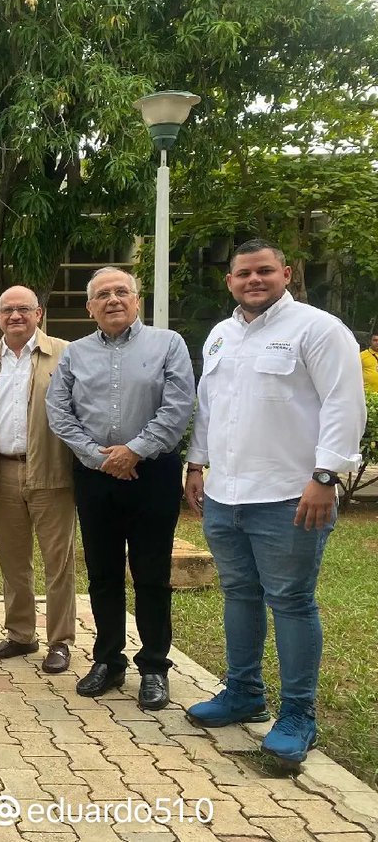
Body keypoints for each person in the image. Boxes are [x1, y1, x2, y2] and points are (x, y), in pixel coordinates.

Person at [184, 240, 365, 765]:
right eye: (244, 273)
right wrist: (195, 465)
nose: (254, 280)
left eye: (265, 271)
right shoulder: (220, 335)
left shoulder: (318, 329)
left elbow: (343, 403)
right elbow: (208, 407)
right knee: (239, 594)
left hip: (291, 495)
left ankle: (298, 716)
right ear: (230, 280)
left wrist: (325, 476)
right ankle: (243, 693)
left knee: (290, 601)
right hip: (225, 494)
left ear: (286, 273)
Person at [45, 267, 194, 710]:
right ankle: (108, 661)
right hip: (95, 476)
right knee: (103, 574)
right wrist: (99, 457)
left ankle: (153, 667)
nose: (112, 300)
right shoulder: (75, 354)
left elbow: (178, 405)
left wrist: (134, 451)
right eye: (102, 295)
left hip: (153, 474)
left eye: (121, 292)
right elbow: (59, 411)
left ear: (136, 299)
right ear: (90, 306)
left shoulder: (169, 344)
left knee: (151, 575)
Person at [0, 286, 76, 674]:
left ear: (39, 314)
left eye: (24, 309)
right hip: (4, 469)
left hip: (51, 470)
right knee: (13, 560)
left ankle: (60, 641)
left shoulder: (64, 353)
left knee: (57, 562)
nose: (16, 316)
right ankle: (21, 634)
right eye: (8, 310)